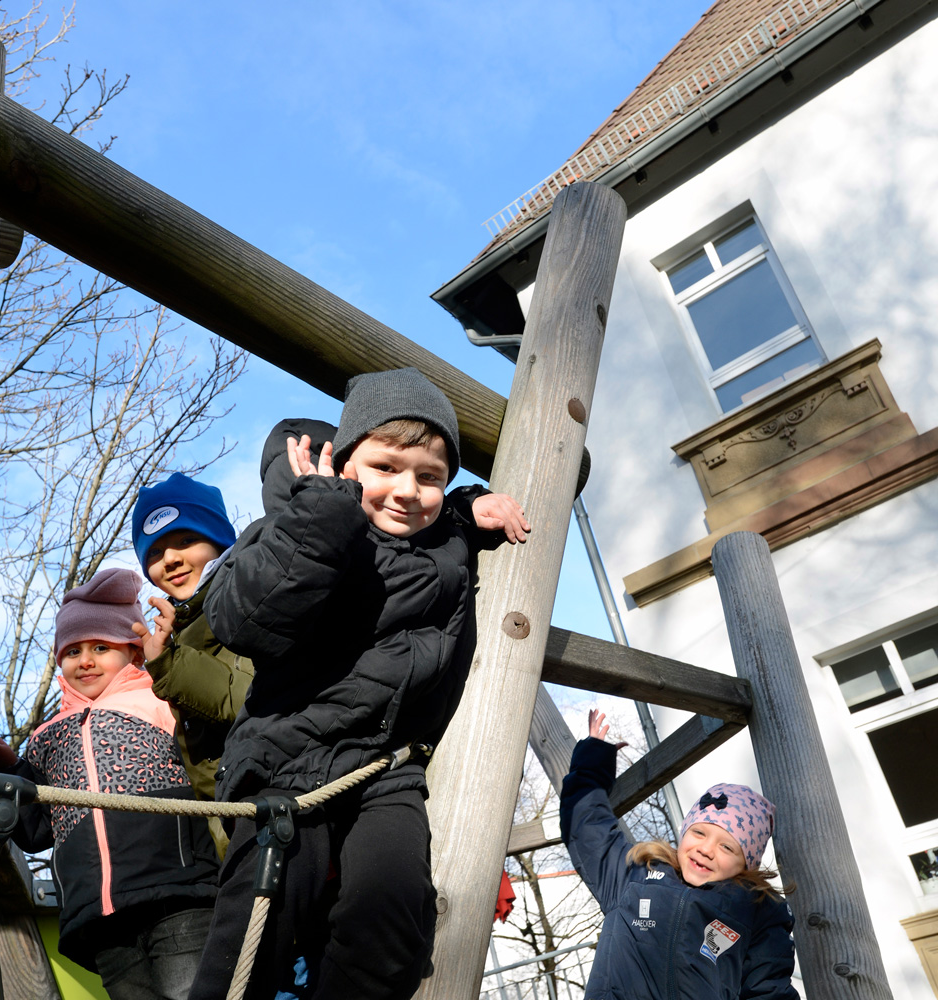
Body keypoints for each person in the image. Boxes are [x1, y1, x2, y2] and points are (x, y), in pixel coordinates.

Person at [188, 367, 530, 1000]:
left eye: (431, 476)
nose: (407, 491)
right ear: (344, 464)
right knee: (260, 924)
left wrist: (470, 505)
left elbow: (445, 525)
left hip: (384, 767)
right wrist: (319, 514)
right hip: (288, 757)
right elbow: (243, 620)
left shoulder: (444, 535)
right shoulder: (301, 521)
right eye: (385, 468)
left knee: (394, 925)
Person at [0, 568, 219, 1000]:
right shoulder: (49, 734)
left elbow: (207, 769)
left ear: (134, 653)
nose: (84, 660)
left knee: (190, 991)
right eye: (72, 651)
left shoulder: (161, 701)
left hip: (178, 890)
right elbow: (34, 830)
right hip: (98, 913)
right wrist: (10, 768)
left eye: (101, 647)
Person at [561, 709, 799, 1000]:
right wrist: (591, 762)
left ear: (745, 865)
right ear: (684, 832)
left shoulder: (755, 910)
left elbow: (767, 990)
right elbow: (588, 827)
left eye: (727, 847)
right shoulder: (634, 877)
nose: (706, 849)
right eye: (699, 833)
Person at [131, 472, 255, 858]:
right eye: (154, 552)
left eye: (186, 540)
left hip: (282, 813)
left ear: (219, 540)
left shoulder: (249, 598)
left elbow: (253, 700)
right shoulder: (181, 629)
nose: (169, 559)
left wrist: (169, 665)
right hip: (235, 835)